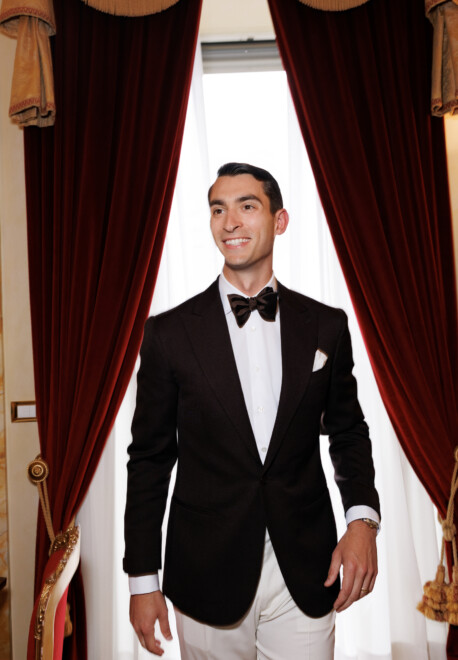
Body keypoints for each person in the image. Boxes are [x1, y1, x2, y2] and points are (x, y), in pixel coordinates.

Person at [123, 163, 380, 659]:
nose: (230, 222)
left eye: (247, 206)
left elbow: (348, 431)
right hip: (205, 569)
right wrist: (142, 580)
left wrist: (362, 521)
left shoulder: (326, 325)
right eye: (218, 209)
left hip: (305, 567)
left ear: (279, 221)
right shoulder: (168, 334)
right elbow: (149, 461)